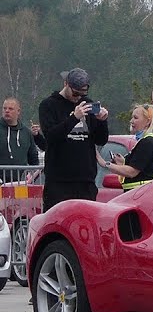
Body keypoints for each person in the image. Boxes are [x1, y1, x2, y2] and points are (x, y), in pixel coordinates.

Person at [38, 68, 109, 209]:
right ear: (66, 84)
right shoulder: (48, 105)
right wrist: (74, 118)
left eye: (82, 94)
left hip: (85, 180)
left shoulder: (87, 103)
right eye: (75, 93)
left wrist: (102, 121)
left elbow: (100, 140)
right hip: (59, 181)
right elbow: (51, 136)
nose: (78, 98)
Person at [97, 104, 153, 190]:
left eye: (135, 118)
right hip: (141, 192)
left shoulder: (148, 142)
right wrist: (123, 162)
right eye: (132, 117)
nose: (131, 121)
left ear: (148, 121)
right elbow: (142, 166)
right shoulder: (148, 140)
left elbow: (132, 172)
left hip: (140, 193)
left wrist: (105, 164)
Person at [1, 97, 43, 173]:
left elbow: (33, 158)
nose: (7, 111)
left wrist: (33, 174)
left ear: (18, 111)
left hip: (20, 182)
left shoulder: (26, 132)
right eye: (4, 108)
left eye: (10, 109)